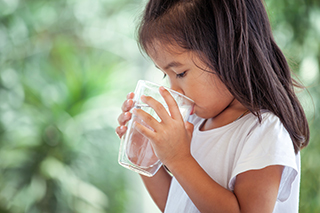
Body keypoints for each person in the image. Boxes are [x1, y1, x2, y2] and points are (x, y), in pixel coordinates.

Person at [116, 0, 310, 212]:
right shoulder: (195, 121)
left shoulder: (263, 131)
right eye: (165, 74)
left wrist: (179, 159)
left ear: (229, 51)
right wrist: (141, 154)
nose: (174, 89)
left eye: (180, 73)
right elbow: (176, 203)